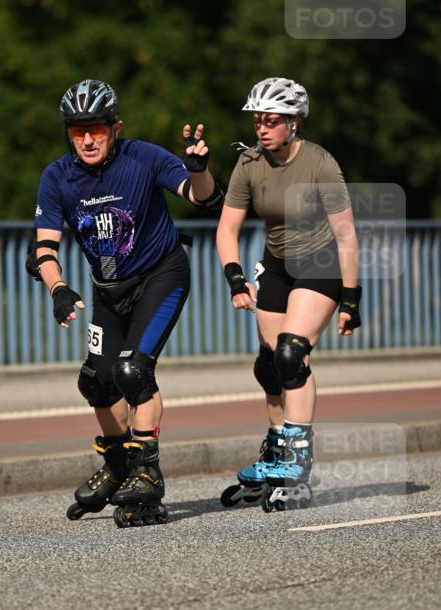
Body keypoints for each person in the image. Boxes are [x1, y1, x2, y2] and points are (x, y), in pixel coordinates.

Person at [29, 79, 223, 527]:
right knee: (96, 383)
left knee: (133, 371)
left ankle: (147, 474)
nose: (88, 139)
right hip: (107, 289)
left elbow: (203, 198)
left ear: (116, 127)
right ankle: (119, 465)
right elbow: (43, 248)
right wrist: (58, 288)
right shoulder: (57, 177)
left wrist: (198, 169)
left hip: (162, 275)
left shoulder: (144, 157)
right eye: (77, 131)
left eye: (96, 128)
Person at [216, 76, 362, 511]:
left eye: (272, 121)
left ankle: (297, 464)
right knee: (268, 366)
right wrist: (235, 277)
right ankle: (278, 451)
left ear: (294, 122)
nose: (262, 128)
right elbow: (227, 228)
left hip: (321, 263)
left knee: (290, 354)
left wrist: (351, 299)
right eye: (258, 120)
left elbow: (347, 234)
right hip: (276, 264)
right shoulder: (248, 163)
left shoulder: (320, 163)